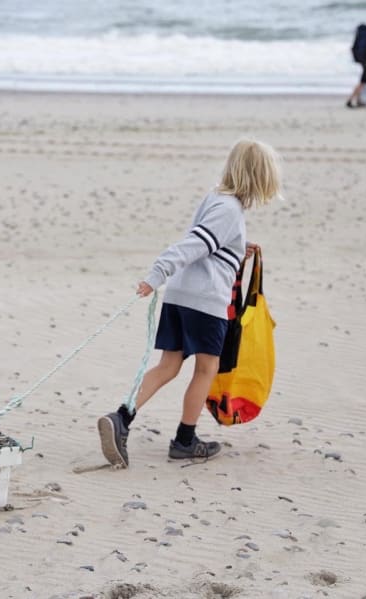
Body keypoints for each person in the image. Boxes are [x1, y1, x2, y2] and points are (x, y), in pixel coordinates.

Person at [97, 139, 282, 467]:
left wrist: (238, 247)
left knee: (168, 366)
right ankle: (185, 440)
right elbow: (195, 243)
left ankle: (121, 418)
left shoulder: (217, 198)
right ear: (258, 177)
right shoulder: (229, 210)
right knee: (207, 368)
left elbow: (211, 242)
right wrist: (157, 273)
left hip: (182, 295)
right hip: (205, 300)